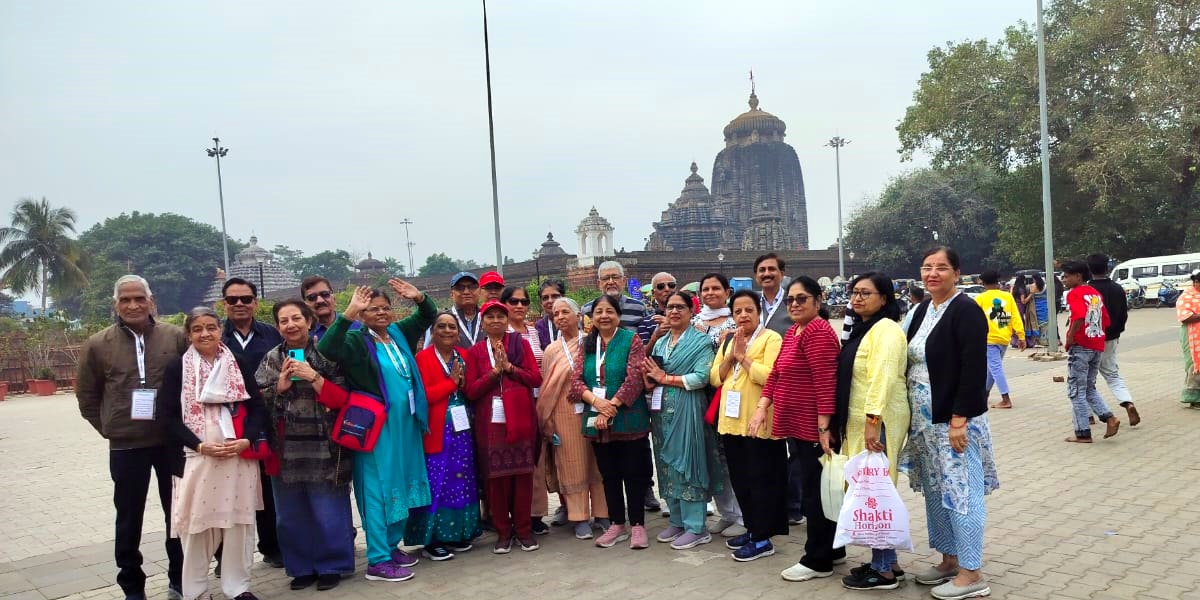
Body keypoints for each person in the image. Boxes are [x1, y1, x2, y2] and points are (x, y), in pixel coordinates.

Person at [316, 280, 437, 583]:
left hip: (406, 424)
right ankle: (378, 560)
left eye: (385, 308)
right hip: (376, 428)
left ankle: (391, 546)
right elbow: (327, 349)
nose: (381, 313)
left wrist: (419, 297)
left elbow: (427, 316)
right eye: (373, 309)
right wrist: (348, 314)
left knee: (402, 483)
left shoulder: (397, 333)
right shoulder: (356, 340)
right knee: (378, 489)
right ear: (363, 314)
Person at [76, 275, 187, 600]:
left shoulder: (174, 337)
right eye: (125, 299)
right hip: (126, 446)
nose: (133, 305)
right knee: (128, 518)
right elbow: (87, 396)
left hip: (170, 443)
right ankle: (132, 586)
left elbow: (190, 383)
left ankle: (179, 579)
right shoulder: (98, 344)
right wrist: (110, 427)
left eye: (139, 298)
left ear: (151, 301)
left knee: (177, 515)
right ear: (116, 305)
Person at [898, 247, 999, 600]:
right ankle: (949, 559)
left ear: (957, 273)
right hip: (925, 426)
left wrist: (959, 419)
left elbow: (973, 369)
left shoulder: (966, 310)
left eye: (941, 268)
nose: (933, 274)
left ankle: (972, 574)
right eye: (927, 267)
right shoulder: (920, 310)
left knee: (962, 493)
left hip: (955, 423)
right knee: (936, 492)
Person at [160, 307, 268, 600]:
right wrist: (199, 445)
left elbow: (257, 407)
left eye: (211, 327)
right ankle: (196, 592)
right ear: (188, 335)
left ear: (220, 330)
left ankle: (238, 587)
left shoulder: (237, 362)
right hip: (196, 457)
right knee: (196, 528)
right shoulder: (177, 368)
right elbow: (167, 417)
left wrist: (247, 439)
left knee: (239, 525)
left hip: (237, 457)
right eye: (197, 329)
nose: (205, 333)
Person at [254, 299, 354, 591]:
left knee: (328, 511)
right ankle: (300, 567)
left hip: (325, 448)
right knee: (290, 515)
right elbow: (257, 401)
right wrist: (279, 387)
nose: (291, 325)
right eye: (284, 321)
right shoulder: (272, 358)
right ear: (277, 327)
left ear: (309, 321)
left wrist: (314, 377)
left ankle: (332, 565)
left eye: (296, 318)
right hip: (285, 451)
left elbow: (343, 399)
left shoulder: (326, 353)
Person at [834, 273, 911, 590]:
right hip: (862, 421)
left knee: (875, 493)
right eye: (854, 292)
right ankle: (887, 561)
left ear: (884, 298)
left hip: (877, 422)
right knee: (869, 489)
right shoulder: (865, 328)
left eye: (865, 293)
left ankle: (883, 571)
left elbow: (883, 377)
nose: (857, 298)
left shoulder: (887, 330)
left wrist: (872, 421)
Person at [770, 277, 844, 583]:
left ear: (818, 300)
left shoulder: (818, 332)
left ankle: (817, 559)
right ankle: (833, 548)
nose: (795, 304)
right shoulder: (794, 331)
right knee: (820, 489)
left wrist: (824, 427)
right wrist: (763, 406)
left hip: (814, 428)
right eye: (790, 300)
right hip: (798, 424)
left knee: (815, 494)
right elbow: (776, 372)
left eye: (801, 298)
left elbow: (825, 382)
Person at [642, 290, 723, 550]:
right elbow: (652, 373)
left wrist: (666, 378)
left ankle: (696, 527)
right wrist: (651, 379)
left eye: (680, 307)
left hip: (688, 409)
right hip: (661, 412)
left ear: (691, 312)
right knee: (666, 464)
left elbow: (702, 377)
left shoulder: (700, 342)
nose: (674, 311)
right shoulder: (661, 342)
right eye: (670, 307)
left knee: (688, 462)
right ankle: (676, 521)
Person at [570, 293, 651, 549]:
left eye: (609, 311)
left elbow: (634, 378)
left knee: (633, 473)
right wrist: (597, 403)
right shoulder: (587, 343)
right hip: (597, 420)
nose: (604, 316)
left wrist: (610, 406)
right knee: (609, 474)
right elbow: (576, 381)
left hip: (628, 418)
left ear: (618, 315)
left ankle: (637, 525)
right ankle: (617, 524)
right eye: (599, 312)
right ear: (592, 317)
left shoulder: (630, 339)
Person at [710, 290, 785, 561]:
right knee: (741, 480)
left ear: (759, 312)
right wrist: (731, 356)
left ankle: (763, 538)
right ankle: (752, 529)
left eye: (749, 310)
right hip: (731, 423)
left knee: (760, 481)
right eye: (738, 311)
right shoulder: (730, 341)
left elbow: (771, 376)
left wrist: (743, 357)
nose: (743, 315)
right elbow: (714, 378)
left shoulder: (771, 338)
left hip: (758, 423)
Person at [463, 300, 543, 553]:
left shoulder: (520, 345)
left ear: (507, 321)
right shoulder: (475, 352)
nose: (496, 320)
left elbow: (535, 378)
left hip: (520, 419)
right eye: (490, 317)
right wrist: (494, 372)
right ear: (482, 323)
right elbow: (471, 391)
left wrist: (509, 368)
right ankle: (503, 532)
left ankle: (523, 531)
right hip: (490, 424)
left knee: (522, 478)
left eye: (501, 316)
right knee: (496, 482)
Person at [218, 277, 283, 568]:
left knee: (267, 487)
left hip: (268, 419)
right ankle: (225, 557)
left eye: (246, 299)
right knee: (229, 490)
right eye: (233, 300)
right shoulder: (216, 335)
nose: (240, 304)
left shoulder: (272, 334)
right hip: (227, 422)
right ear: (224, 304)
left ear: (255, 303)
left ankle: (272, 547)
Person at [406, 311, 482, 560]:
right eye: (442, 326)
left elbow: (471, 390)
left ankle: (457, 533)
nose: (448, 330)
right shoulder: (423, 358)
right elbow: (421, 397)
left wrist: (464, 385)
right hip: (436, 431)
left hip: (463, 432)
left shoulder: (464, 355)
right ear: (433, 331)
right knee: (437, 483)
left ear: (458, 333)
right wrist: (450, 383)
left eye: (452, 326)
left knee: (462, 481)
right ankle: (432, 540)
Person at [537, 297, 609, 539]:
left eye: (565, 312)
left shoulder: (593, 342)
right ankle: (578, 517)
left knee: (598, 463)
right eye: (555, 314)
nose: (559, 317)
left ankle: (603, 513)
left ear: (578, 316)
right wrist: (547, 420)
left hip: (593, 409)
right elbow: (547, 387)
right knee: (571, 464)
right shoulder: (551, 350)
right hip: (563, 413)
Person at [688, 273, 744, 538]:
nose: (710, 293)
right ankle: (727, 512)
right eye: (706, 289)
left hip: (730, 395)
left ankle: (743, 515)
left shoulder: (737, 321)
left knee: (732, 455)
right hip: (702, 396)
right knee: (714, 457)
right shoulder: (694, 322)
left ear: (727, 292)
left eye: (716, 288)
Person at [755, 253, 804, 525]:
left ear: (782, 273)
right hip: (758, 384)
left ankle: (794, 503)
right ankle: (773, 500)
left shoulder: (794, 302)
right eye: (762, 270)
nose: (767, 274)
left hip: (792, 383)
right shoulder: (752, 304)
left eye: (772, 269)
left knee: (796, 447)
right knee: (766, 446)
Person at [1060, 261, 1120, 443]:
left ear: (1078, 276)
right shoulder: (1094, 294)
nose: (1064, 280)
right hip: (1097, 344)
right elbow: (1105, 320)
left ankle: (1083, 433)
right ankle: (1109, 417)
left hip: (1081, 345)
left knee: (1076, 390)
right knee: (1088, 388)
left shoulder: (1075, 293)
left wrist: (1070, 337)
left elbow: (1078, 316)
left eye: (1067, 276)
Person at [1086, 254, 1140, 426]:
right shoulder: (1117, 288)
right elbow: (1124, 314)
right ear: (1107, 268)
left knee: (1085, 378)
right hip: (1111, 338)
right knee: (1112, 374)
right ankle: (1127, 402)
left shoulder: (1087, 290)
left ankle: (1088, 414)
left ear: (1089, 269)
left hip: (1091, 339)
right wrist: (1117, 331)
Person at [974, 270, 1026, 409]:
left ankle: (1005, 399)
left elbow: (973, 320)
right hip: (1004, 338)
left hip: (989, 339)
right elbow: (1016, 317)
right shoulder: (1007, 297)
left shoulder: (980, 299)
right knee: (992, 369)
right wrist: (1021, 336)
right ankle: (984, 395)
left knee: (995, 368)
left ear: (983, 283)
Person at [302, 276, 360, 341]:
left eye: (325, 294)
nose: (320, 300)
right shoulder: (301, 335)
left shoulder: (358, 327)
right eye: (312, 297)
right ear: (305, 305)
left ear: (334, 299)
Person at [1178, 269, 1200, 407]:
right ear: (1195, 282)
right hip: (1191, 334)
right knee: (1193, 364)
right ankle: (1193, 398)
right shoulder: (1187, 296)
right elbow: (1184, 317)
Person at [535, 279, 566, 350]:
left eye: (555, 296)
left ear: (564, 297)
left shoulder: (575, 322)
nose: (550, 301)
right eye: (545, 298)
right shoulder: (539, 327)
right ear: (541, 302)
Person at [1013, 275, 1038, 347]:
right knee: (1022, 324)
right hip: (1020, 307)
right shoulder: (1021, 289)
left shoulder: (1014, 288)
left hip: (1015, 306)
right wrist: (1031, 294)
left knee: (1017, 324)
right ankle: (1025, 342)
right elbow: (1023, 301)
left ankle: (1015, 342)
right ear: (1023, 281)